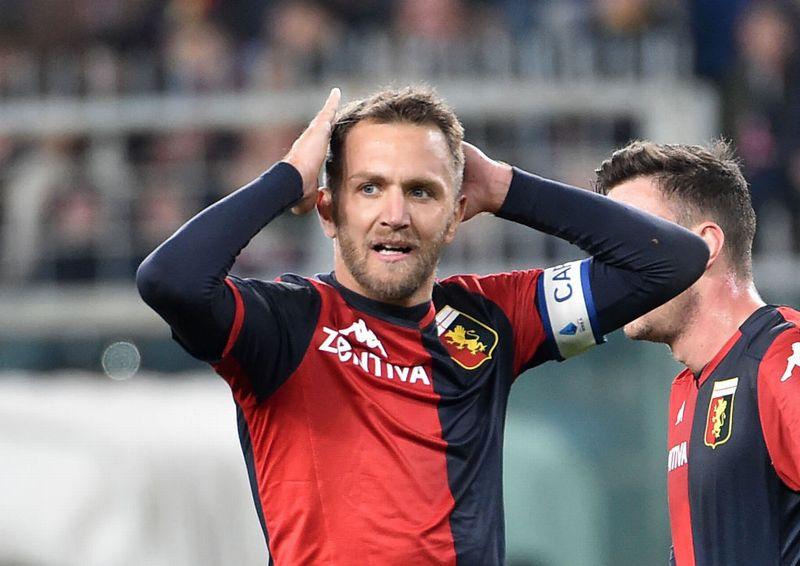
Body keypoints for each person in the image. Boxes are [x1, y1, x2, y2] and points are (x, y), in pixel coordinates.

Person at [137, 87, 708, 565]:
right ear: (329, 210)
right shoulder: (282, 323)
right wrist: (287, 177)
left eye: (421, 191)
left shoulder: (492, 318)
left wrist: (506, 187)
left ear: (456, 214)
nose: (396, 215)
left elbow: (671, 261)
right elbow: (170, 280)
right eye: (369, 187)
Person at [595, 140, 800, 566]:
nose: (613, 268)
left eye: (631, 240)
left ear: (704, 247)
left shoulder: (782, 356)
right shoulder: (690, 387)